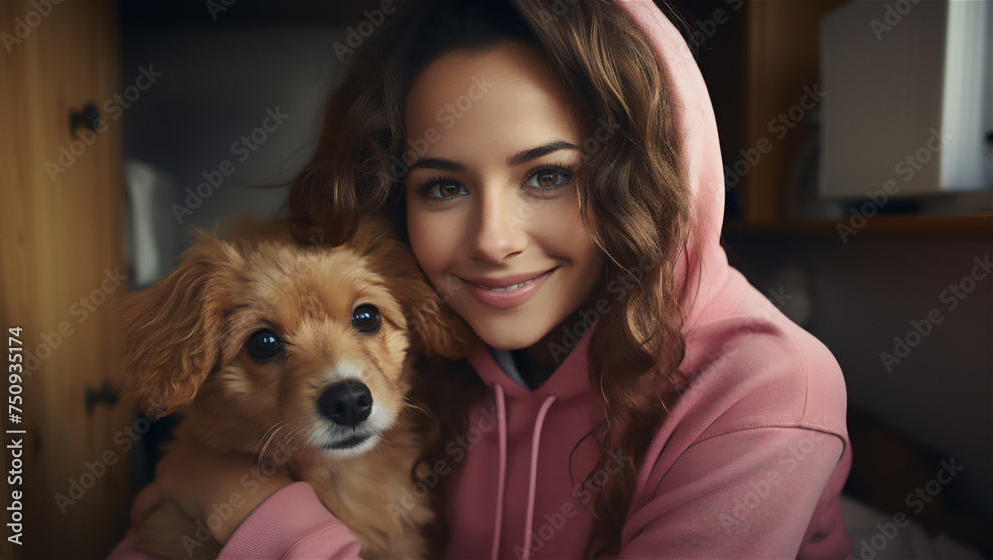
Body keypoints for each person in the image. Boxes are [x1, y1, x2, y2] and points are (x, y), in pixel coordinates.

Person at [110, 0, 852, 558]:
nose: (493, 242)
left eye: (550, 175)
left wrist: (257, 518)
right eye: (443, 187)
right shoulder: (439, 351)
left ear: (643, 177)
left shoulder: (767, 389)